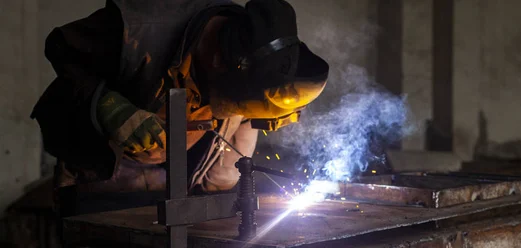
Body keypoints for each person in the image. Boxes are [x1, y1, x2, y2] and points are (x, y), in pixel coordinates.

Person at [31, 0, 329, 217]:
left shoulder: (258, 54)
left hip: (178, 170)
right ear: (217, 60)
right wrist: (106, 103)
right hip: (106, 166)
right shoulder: (138, 29)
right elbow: (59, 47)